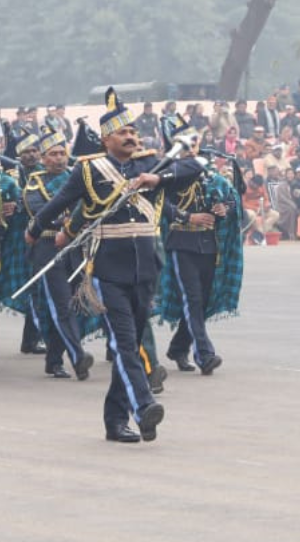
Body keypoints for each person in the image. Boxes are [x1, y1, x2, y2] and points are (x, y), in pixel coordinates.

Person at [26, 89, 201, 443]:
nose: (131, 136)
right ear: (107, 139)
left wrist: (157, 180)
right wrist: (35, 229)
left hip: (146, 268)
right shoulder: (90, 169)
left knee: (131, 343)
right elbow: (62, 201)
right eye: (123, 132)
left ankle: (115, 419)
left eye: (133, 131)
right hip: (108, 270)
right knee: (124, 344)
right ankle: (143, 405)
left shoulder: (150, 165)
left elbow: (195, 166)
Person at [158, 122, 242, 376]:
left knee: (201, 303)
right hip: (181, 244)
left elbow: (232, 197)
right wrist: (187, 217)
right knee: (192, 300)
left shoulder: (209, 173)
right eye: (185, 145)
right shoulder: (168, 174)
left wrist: (225, 208)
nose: (191, 149)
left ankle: (178, 348)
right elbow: (159, 203)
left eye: (193, 143)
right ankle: (205, 355)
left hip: (209, 246)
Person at [21, 129, 94, 381]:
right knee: (61, 305)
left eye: (62, 153)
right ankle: (78, 357)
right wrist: (72, 219)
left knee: (74, 304)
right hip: (47, 248)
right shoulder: (35, 183)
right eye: (53, 154)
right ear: (43, 158)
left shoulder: (77, 177)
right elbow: (39, 211)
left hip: (75, 248)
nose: (59, 158)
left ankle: (54, 360)